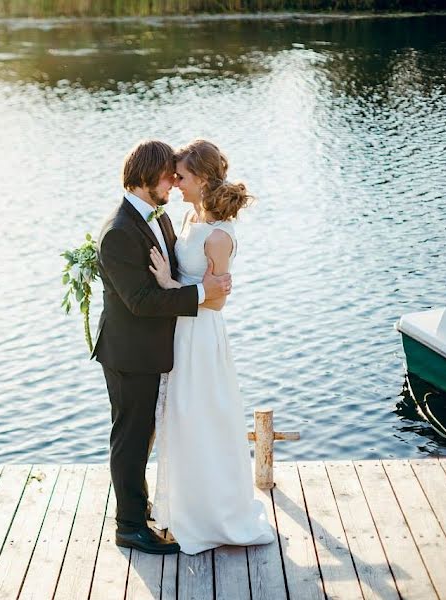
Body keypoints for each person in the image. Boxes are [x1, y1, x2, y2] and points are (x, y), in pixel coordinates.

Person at [92, 139, 232, 555]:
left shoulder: (158, 217)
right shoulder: (118, 232)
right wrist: (199, 293)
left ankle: (140, 505)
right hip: (129, 353)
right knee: (131, 437)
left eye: (176, 176)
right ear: (147, 177)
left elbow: (168, 274)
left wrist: (197, 285)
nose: (173, 182)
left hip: (155, 349)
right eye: (167, 176)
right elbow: (141, 301)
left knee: (145, 434)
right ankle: (129, 526)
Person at [148, 139, 275, 555]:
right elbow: (202, 284)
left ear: (200, 179)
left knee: (201, 417)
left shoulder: (219, 235)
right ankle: (183, 507)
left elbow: (218, 300)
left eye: (181, 177)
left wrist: (170, 285)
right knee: (181, 419)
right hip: (181, 329)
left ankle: (211, 515)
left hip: (201, 335)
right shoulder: (189, 216)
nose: (175, 183)